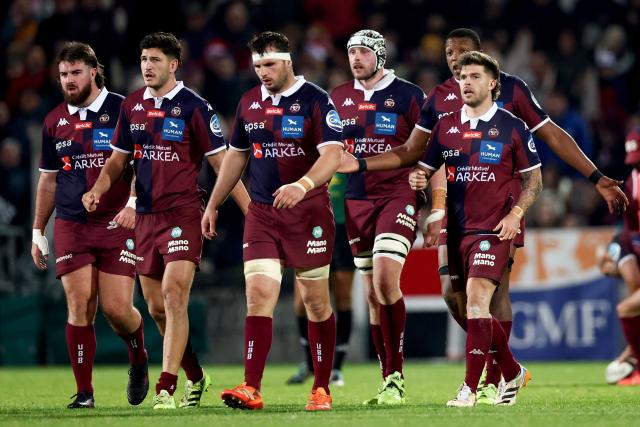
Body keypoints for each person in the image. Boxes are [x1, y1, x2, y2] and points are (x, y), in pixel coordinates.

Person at [340, 27, 628, 404]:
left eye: (463, 53)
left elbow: (553, 135)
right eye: (449, 53)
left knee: (491, 294)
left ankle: (491, 381)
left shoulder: (512, 90)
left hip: (500, 209)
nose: (455, 60)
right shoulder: (440, 99)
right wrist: (368, 167)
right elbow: (415, 152)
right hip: (456, 209)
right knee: (451, 293)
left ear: (483, 60)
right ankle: (508, 367)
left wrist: (595, 177)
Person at [81, 32, 250, 409]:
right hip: (144, 220)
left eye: (155, 60)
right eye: (143, 59)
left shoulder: (195, 107)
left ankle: (166, 387)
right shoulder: (133, 105)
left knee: (175, 295)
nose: (146, 66)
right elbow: (118, 160)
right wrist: (98, 187)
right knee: (157, 309)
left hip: (183, 214)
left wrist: (251, 212)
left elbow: (224, 166)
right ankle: (196, 377)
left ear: (173, 65)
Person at [203, 31, 343, 411]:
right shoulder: (249, 102)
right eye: (257, 66)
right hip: (263, 214)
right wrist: (214, 202)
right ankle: (251, 387)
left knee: (315, 303)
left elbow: (333, 154)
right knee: (259, 295)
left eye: (269, 64)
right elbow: (235, 156)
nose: (263, 72)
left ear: (287, 60)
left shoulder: (316, 100)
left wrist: (304, 184)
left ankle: (321, 388)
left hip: (309, 213)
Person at [412, 51, 542, 406]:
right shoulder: (445, 127)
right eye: (461, 77)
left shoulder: (513, 127)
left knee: (476, 300)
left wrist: (516, 214)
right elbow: (425, 169)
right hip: (457, 230)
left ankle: (470, 388)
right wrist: (418, 177)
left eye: (474, 76)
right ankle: (513, 371)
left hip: (495, 228)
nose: (465, 83)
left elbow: (534, 182)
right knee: (463, 303)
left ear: (493, 83)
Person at [32, 42, 149, 409]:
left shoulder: (123, 109)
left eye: (76, 72)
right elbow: (48, 180)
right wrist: (38, 231)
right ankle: (85, 393)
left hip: (117, 223)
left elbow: (142, 164)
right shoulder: (54, 121)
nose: (68, 80)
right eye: (64, 74)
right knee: (79, 303)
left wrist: (132, 202)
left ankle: (138, 357)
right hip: (72, 224)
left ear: (93, 71)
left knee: (117, 310)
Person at [329, 29, 426, 405]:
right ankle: (388, 380)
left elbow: (428, 148)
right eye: (351, 51)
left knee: (386, 281)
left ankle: (397, 374)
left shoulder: (409, 95)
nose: (356, 58)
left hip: (397, 195)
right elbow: (328, 151)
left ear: (380, 57)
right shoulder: (336, 97)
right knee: (371, 294)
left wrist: (433, 203)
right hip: (355, 201)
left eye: (363, 52)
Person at [287, 172, 355, 387]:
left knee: (343, 297)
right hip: (311, 224)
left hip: (344, 227)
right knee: (300, 303)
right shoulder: (310, 149)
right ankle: (309, 363)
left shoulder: (347, 147)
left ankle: (337, 367)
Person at [609, 128, 640, 385]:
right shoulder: (632, 180)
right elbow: (629, 233)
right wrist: (614, 251)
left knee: (627, 306)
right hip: (628, 244)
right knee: (632, 292)